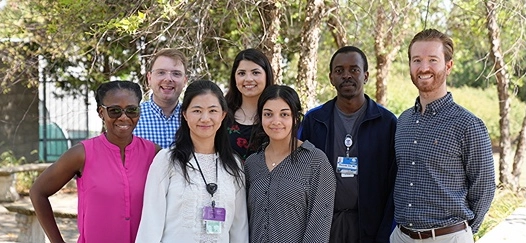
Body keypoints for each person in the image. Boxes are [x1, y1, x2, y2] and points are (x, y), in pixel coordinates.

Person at [390, 29, 496, 243]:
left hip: (448, 237)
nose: (424, 67)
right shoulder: (403, 121)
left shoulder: (468, 125)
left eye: (432, 60)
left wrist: (463, 231)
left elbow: (484, 187)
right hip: (402, 237)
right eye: (416, 60)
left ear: (448, 66)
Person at [30, 81, 161, 243]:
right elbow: (38, 192)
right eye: (114, 111)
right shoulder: (82, 154)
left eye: (131, 110)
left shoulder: (153, 153)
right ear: (101, 112)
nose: (124, 117)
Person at [299, 46, 398, 243]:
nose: (346, 75)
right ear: (331, 78)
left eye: (354, 69)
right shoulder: (314, 120)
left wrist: (385, 232)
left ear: (366, 75)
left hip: (370, 227)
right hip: (324, 226)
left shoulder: (386, 123)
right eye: (339, 71)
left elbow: (395, 183)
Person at [135, 80, 248, 242]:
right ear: (185, 114)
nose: (205, 118)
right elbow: (150, 223)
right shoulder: (166, 160)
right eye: (197, 110)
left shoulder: (234, 165)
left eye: (212, 111)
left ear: (223, 115)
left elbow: (240, 228)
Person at [245, 85, 336, 243]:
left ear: (295, 118)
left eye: (284, 114)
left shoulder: (316, 161)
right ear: (260, 117)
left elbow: (319, 227)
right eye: (268, 114)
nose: (276, 121)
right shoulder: (252, 164)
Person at [225, 48, 274, 160]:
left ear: (267, 75)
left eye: (255, 73)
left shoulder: (280, 115)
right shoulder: (221, 114)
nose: (248, 79)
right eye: (242, 73)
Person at [133, 48, 189, 148]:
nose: (168, 79)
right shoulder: (131, 118)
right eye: (161, 72)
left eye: (176, 73)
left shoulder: (194, 119)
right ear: (149, 78)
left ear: (185, 80)